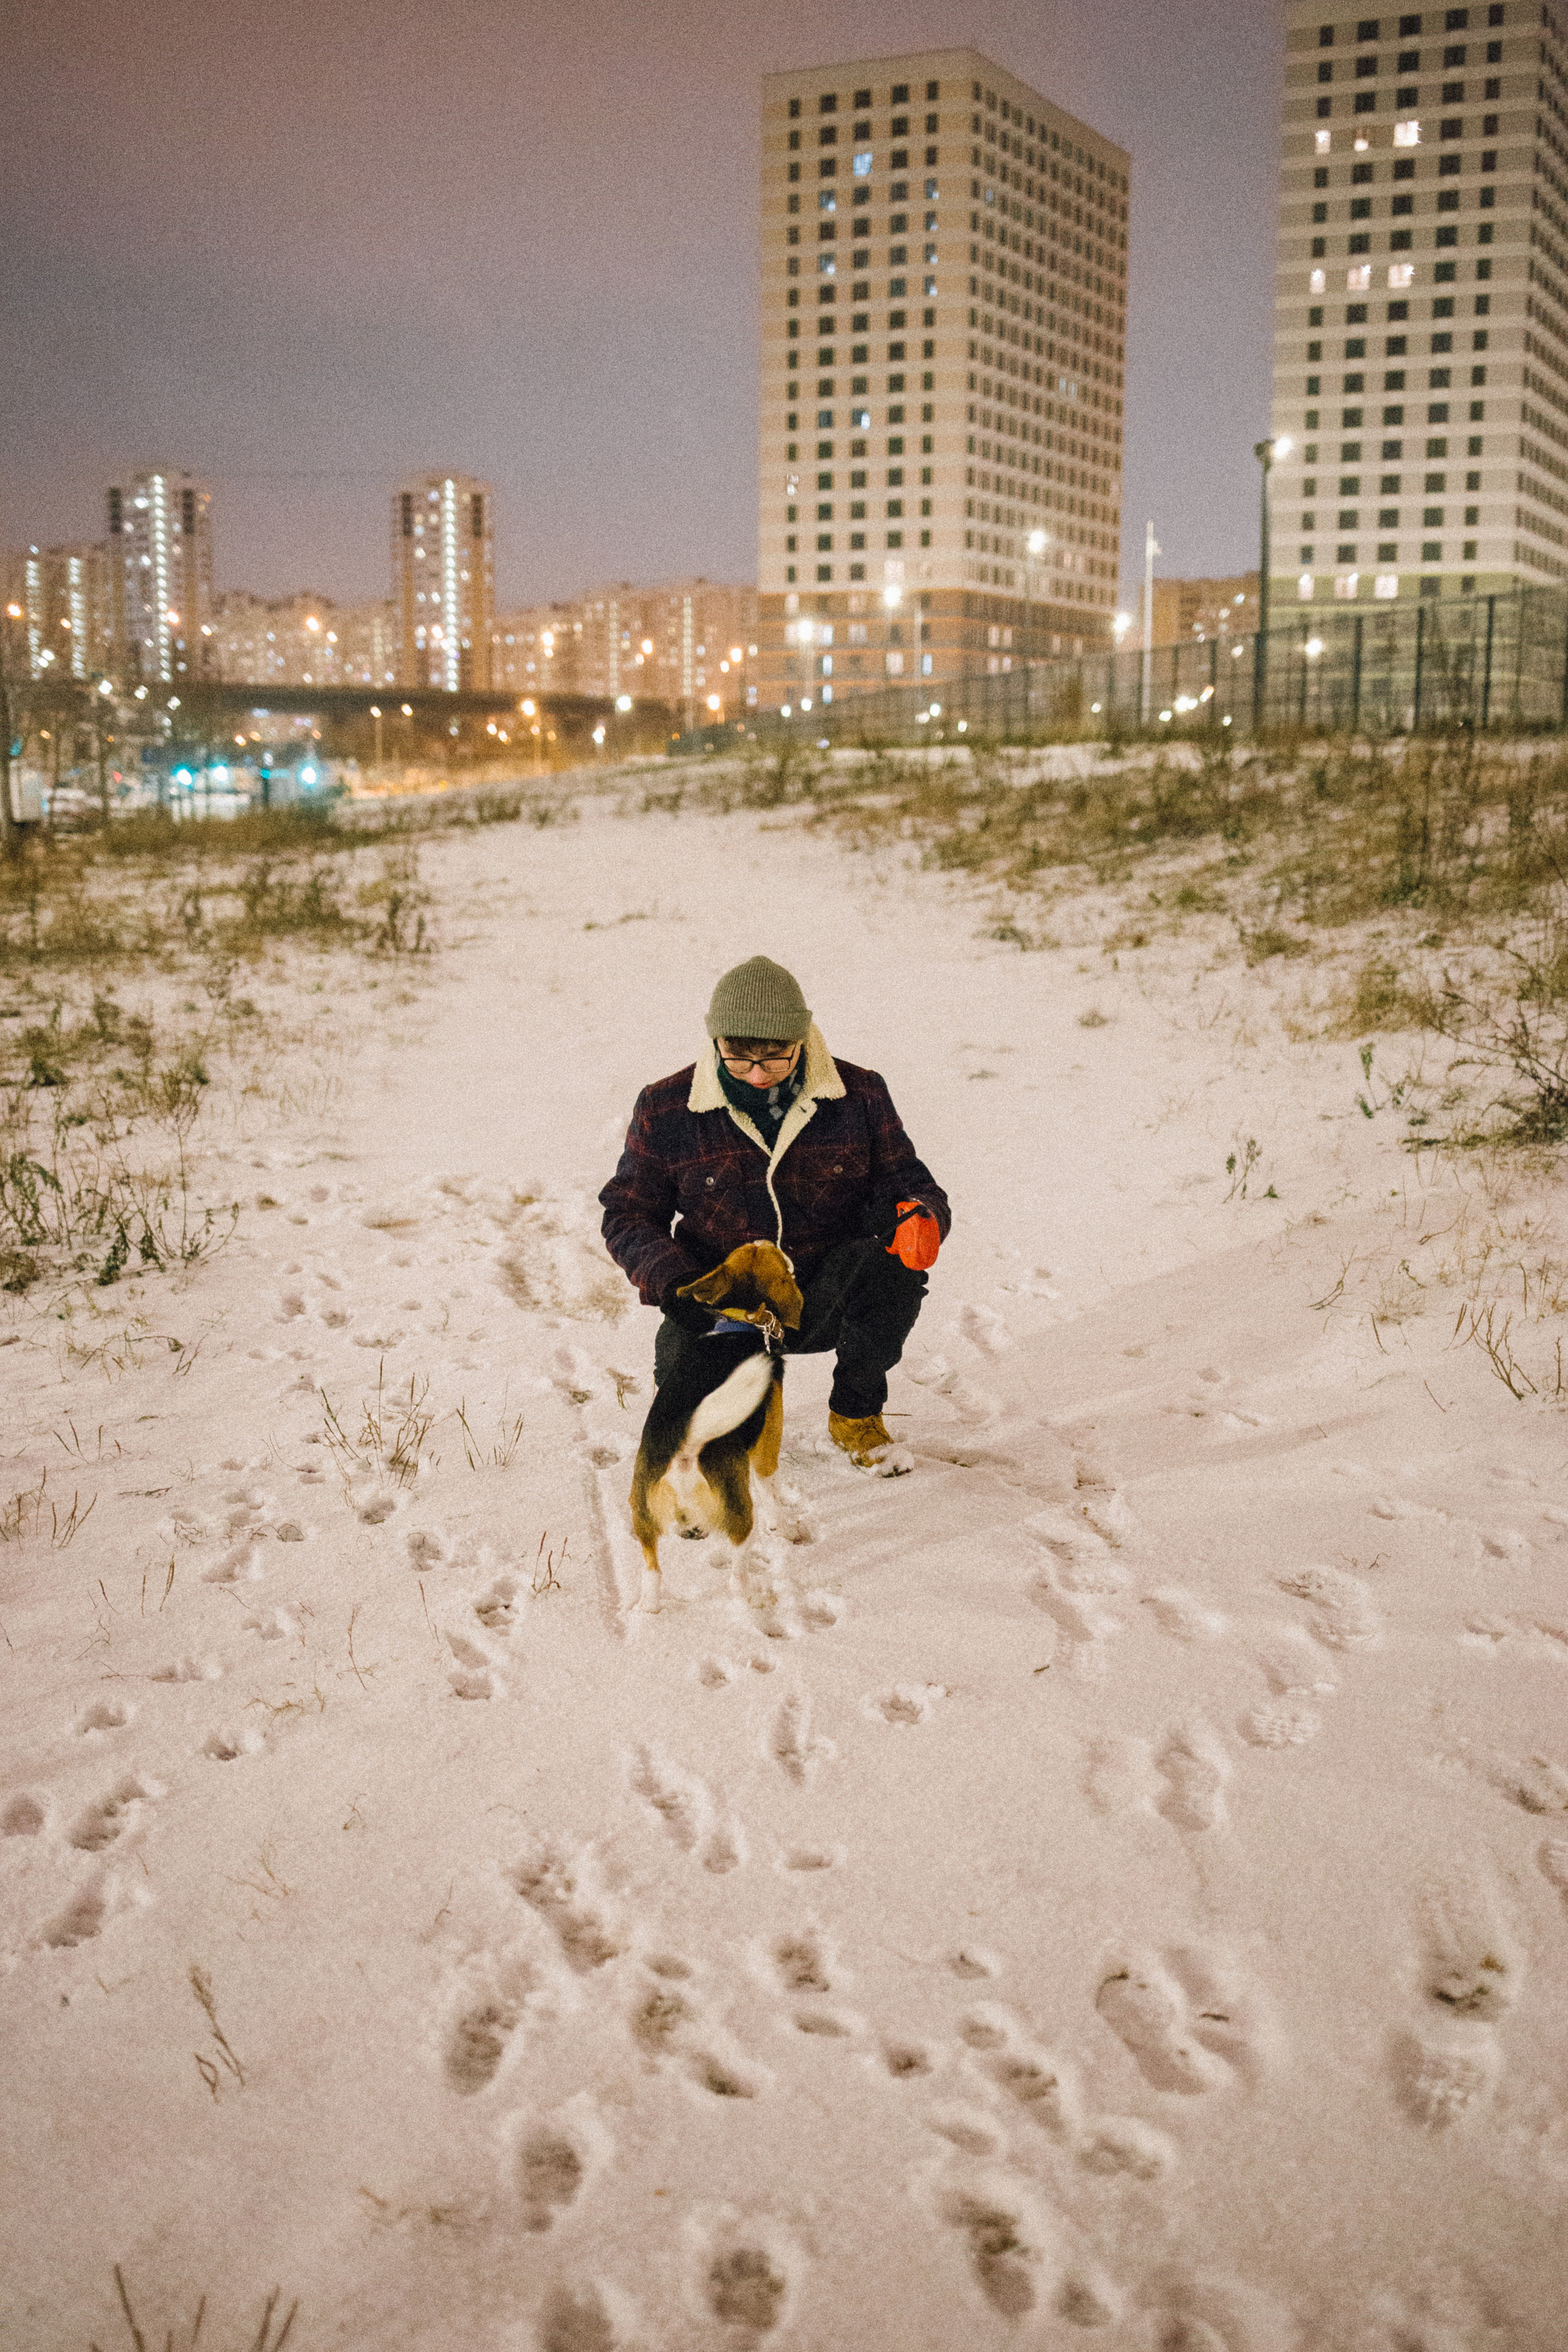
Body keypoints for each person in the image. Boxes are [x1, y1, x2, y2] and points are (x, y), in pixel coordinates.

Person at [599, 955, 950, 1469]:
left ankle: (856, 1414)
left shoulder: (861, 1095)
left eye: (775, 1059)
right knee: (695, 1420)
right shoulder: (666, 1108)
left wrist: (923, 1215)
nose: (757, 1075)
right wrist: (679, 1283)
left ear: (801, 1041)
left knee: (892, 1273)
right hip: (722, 1298)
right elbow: (627, 1214)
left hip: (822, 1290)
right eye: (739, 1059)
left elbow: (910, 1182)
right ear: (715, 1041)